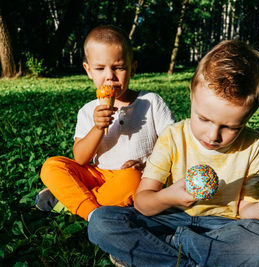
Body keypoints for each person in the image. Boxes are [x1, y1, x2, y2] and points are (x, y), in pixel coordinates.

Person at [88, 40, 259, 266]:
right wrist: (169, 196)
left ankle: (166, 249)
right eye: (204, 119)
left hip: (222, 225)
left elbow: (245, 211)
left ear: (249, 115)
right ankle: (192, 256)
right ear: (192, 95)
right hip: (169, 217)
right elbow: (143, 203)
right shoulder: (173, 137)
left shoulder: (253, 145)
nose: (213, 135)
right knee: (101, 221)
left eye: (231, 127)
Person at [36, 25, 175, 221]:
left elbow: (172, 145)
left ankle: (74, 203)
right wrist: (98, 127)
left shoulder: (151, 102)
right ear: (88, 70)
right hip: (97, 175)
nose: (109, 75)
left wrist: (149, 165)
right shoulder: (87, 111)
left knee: (133, 181)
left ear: (133, 68)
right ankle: (94, 213)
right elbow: (81, 158)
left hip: (135, 177)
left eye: (119, 67)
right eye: (100, 68)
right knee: (52, 166)